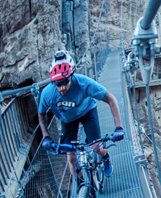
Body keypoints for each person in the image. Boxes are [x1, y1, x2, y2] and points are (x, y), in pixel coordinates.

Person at [38, 50, 124, 183]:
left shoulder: (84, 83)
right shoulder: (47, 93)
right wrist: (46, 136)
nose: (61, 88)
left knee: (97, 147)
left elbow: (111, 99)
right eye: (57, 84)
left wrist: (119, 127)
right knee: (71, 158)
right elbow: (41, 113)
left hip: (87, 111)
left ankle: (106, 157)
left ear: (71, 76)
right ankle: (82, 187)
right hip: (67, 120)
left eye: (65, 82)